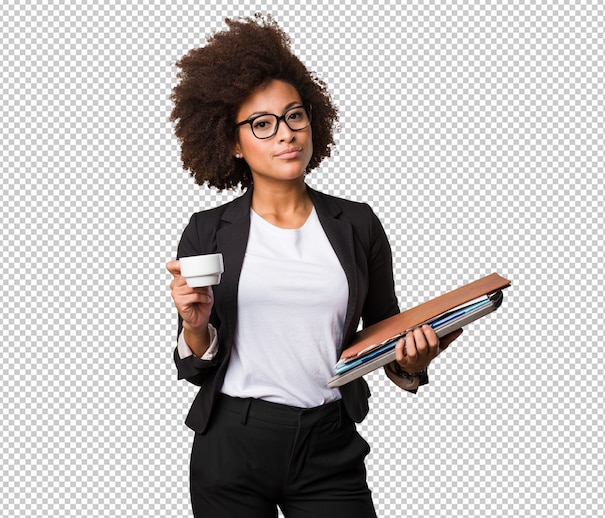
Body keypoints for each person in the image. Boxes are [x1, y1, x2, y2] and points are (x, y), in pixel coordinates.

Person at [166, 14, 462, 518]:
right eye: (263, 124)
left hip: (329, 443)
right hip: (232, 444)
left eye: (295, 116)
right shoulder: (208, 230)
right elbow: (195, 365)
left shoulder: (358, 224)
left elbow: (382, 336)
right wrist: (195, 328)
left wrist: (411, 365)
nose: (286, 134)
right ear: (233, 143)